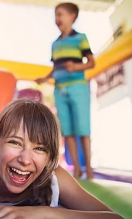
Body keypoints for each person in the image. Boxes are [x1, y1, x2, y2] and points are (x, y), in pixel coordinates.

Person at [35, 2, 95, 179]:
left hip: (78, 88)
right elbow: (55, 68)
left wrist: (76, 66)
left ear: (72, 16)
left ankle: (89, 168)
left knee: (83, 128)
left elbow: (91, 63)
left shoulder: (80, 38)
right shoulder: (55, 44)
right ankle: (77, 168)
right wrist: (45, 78)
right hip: (59, 90)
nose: (57, 19)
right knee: (67, 130)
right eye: (55, 15)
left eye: (60, 14)